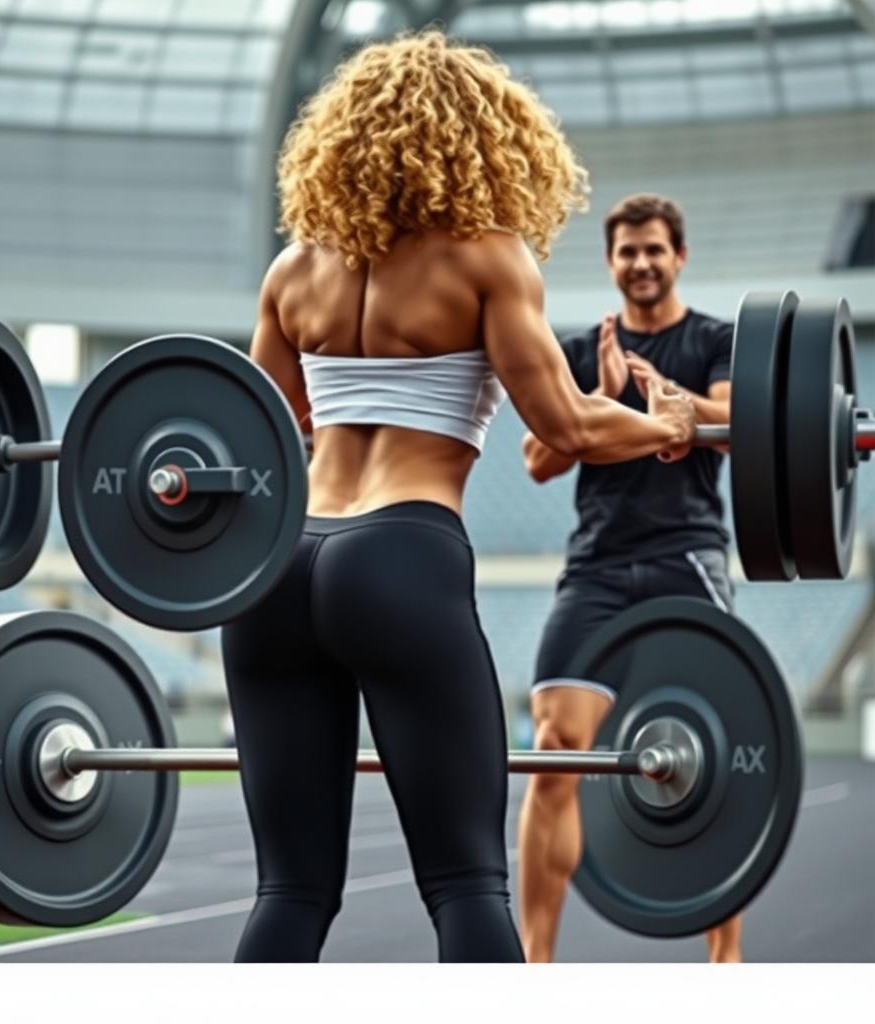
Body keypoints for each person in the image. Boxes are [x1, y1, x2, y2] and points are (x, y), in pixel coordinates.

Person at [219, 32, 696, 963]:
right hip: (399, 554)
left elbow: (257, 438)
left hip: (276, 569)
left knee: (291, 890)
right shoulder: (488, 257)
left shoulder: (293, 271)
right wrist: (665, 426)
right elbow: (569, 427)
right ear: (484, 138)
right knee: (466, 886)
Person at [516, 193, 741, 963]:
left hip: (689, 556)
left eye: (654, 250)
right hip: (599, 567)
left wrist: (677, 404)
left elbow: (733, 425)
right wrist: (603, 397)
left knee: (720, 745)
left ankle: (725, 956)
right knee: (554, 748)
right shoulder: (582, 353)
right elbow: (539, 461)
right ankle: (534, 965)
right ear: (611, 263)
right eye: (627, 251)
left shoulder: (715, 339)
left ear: (678, 257)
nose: (641, 263)